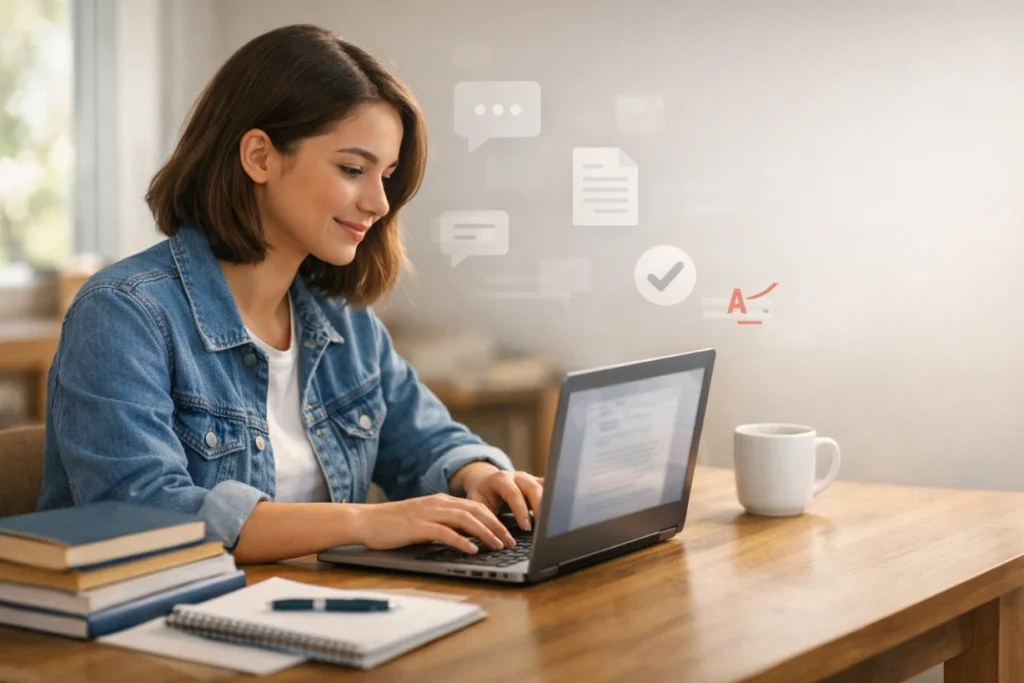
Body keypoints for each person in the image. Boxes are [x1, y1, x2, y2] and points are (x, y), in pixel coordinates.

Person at [37, 24, 543, 564]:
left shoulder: (344, 322)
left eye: (387, 176)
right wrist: (365, 522)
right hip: (145, 631)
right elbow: (146, 515)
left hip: (298, 611)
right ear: (259, 157)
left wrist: (480, 474)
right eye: (353, 169)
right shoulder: (123, 313)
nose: (378, 203)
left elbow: (426, 440)